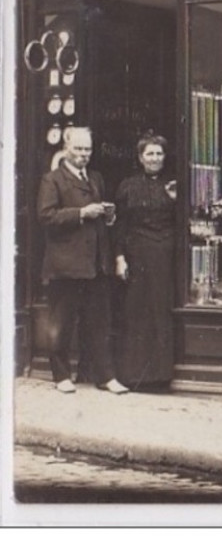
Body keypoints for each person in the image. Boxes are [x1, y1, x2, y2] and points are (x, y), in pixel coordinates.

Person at [36, 125, 128, 394]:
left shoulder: (96, 178)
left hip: (95, 265)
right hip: (66, 265)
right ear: (66, 148)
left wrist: (107, 216)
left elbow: (97, 221)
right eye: (78, 149)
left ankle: (105, 377)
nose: (84, 154)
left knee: (99, 324)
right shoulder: (52, 180)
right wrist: (81, 213)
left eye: (87, 149)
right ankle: (61, 376)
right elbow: (46, 216)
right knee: (62, 323)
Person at [114, 133, 177, 391]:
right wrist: (119, 258)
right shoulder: (127, 186)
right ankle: (135, 376)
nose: (155, 158)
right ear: (140, 157)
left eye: (159, 153)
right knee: (137, 312)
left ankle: (161, 377)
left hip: (165, 255)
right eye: (149, 154)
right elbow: (119, 226)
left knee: (161, 311)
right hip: (137, 254)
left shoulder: (173, 184)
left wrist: (175, 200)